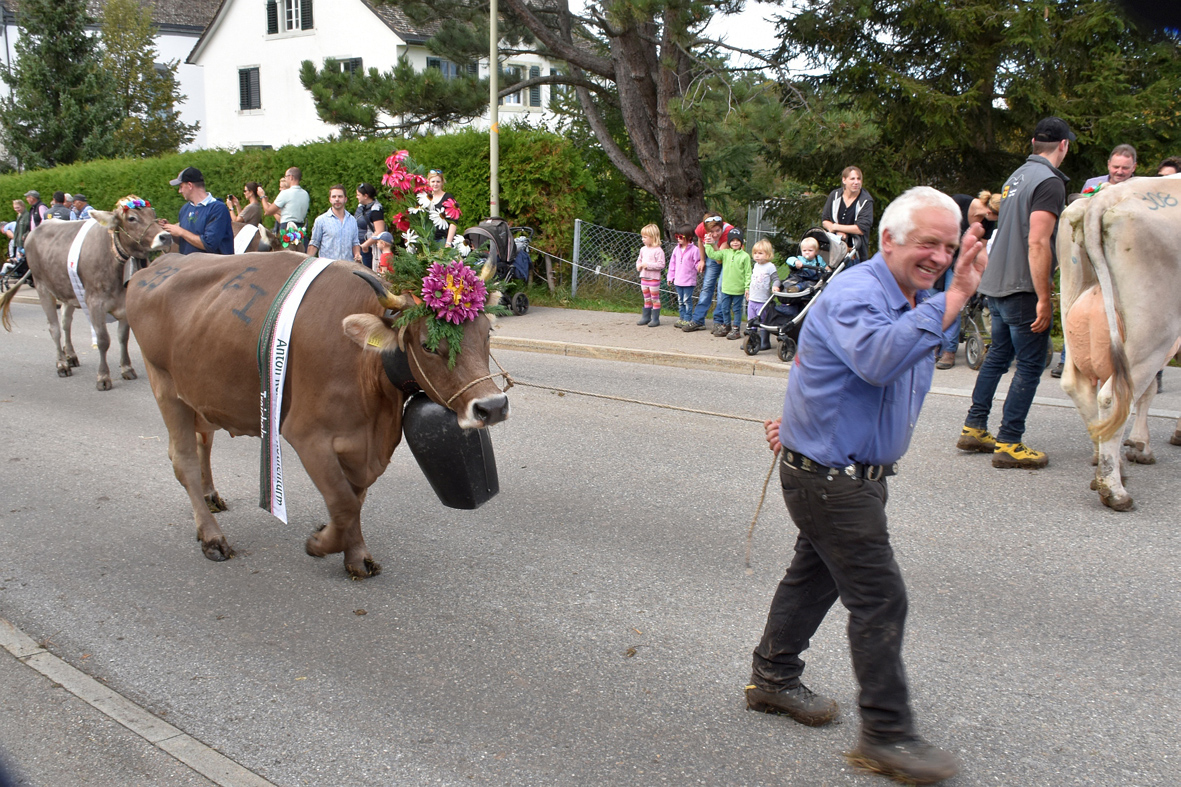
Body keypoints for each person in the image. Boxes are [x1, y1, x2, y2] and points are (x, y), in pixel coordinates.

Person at [748, 186, 987, 787]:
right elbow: (878, 360)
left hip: (846, 474)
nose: (938, 256)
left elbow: (824, 364)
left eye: (949, 246)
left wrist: (800, 418)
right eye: (927, 243)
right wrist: (955, 296)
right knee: (880, 597)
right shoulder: (862, 292)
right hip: (832, 482)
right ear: (888, 240)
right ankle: (885, 735)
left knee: (815, 574)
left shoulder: (917, 296)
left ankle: (772, 679)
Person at [957, 117, 1073, 468]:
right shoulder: (1049, 182)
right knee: (1032, 361)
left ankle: (974, 426)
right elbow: (1037, 242)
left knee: (998, 356)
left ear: (1035, 143)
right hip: (1022, 285)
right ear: (1063, 146)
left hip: (996, 282)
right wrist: (1043, 296)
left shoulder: (1015, 177)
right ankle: (1010, 440)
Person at [935, 191, 1000, 369]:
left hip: (960, 262)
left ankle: (949, 351)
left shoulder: (987, 221)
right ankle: (932, 344)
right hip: (939, 256)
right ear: (990, 211)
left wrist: (985, 270)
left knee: (953, 305)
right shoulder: (960, 201)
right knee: (932, 301)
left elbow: (982, 248)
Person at [160, 166, 235, 255]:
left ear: (190, 185)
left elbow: (209, 244)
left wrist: (181, 232)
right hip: (190, 266)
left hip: (214, 267)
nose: (179, 191)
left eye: (181, 186)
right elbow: (185, 241)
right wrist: (171, 230)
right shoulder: (185, 209)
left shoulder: (217, 209)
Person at [683, 212, 734, 332]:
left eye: (718, 230)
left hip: (728, 258)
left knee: (722, 288)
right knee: (707, 286)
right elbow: (701, 241)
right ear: (706, 230)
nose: (715, 234)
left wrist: (712, 243)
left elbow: (720, 259)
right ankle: (698, 320)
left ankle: (719, 321)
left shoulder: (728, 232)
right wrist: (702, 260)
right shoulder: (701, 229)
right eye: (712, 231)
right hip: (713, 252)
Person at [704, 227, 752, 340]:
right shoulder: (725, 253)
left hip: (738, 290)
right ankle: (726, 326)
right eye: (733, 240)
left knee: (736, 309)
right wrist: (708, 244)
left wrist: (747, 287)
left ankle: (736, 329)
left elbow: (748, 273)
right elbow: (713, 255)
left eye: (738, 240)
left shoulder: (745, 256)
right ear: (729, 242)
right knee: (725, 309)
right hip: (726, 289)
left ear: (741, 242)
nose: (735, 242)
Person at [822, 166, 874, 263]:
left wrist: (837, 227)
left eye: (859, 179)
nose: (856, 182)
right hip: (833, 251)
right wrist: (837, 232)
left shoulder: (866, 201)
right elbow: (825, 220)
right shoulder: (835, 195)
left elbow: (861, 229)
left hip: (855, 253)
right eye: (852, 179)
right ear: (844, 180)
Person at [307, 184, 362, 263]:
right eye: (334, 197)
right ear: (330, 199)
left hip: (347, 267)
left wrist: (357, 254)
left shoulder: (352, 220)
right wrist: (307, 264)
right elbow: (314, 244)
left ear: (345, 199)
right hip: (327, 267)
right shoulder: (321, 220)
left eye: (340, 196)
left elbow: (355, 242)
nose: (337, 199)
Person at [746, 238, 780, 350]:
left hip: (762, 300)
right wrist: (748, 291)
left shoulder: (770, 266)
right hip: (752, 299)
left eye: (760, 253)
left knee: (763, 321)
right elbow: (753, 280)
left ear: (768, 254)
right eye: (755, 253)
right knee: (752, 320)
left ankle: (765, 342)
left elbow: (776, 279)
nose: (757, 256)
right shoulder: (756, 265)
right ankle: (752, 341)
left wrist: (775, 286)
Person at [666, 224, 700, 329]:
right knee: (680, 300)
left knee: (687, 300)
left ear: (689, 237)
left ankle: (687, 318)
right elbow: (672, 264)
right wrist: (670, 277)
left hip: (688, 281)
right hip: (678, 281)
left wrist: (700, 267)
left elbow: (697, 263)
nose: (678, 239)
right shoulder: (676, 250)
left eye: (681, 237)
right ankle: (681, 317)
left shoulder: (695, 250)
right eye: (677, 236)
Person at [260, 166, 310, 234]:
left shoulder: (285, 193)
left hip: (287, 229)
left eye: (286, 176)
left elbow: (268, 211)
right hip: (300, 230)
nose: (285, 178)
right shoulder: (305, 194)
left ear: (291, 177)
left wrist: (262, 196)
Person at [634, 223, 666, 327]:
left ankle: (655, 319)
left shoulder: (658, 251)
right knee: (646, 298)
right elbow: (639, 260)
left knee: (654, 298)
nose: (643, 239)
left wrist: (648, 265)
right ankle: (646, 317)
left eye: (645, 237)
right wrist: (639, 265)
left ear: (653, 237)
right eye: (642, 237)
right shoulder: (643, 249)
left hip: (653, 278)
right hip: (644, 277)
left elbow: (661, 265)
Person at [354, 183, 387, 267]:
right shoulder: (361, 207)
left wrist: (365, 245)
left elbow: (379, 231)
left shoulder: (376, 210)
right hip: (359, 246)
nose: (356, 197)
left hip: (369, 248)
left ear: (365, 196)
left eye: (358, 195)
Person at [426, 170, 460, 246]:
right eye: (433, 181)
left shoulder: (448, 198)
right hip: (429, 241)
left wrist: (448, 243)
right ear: (429, 182)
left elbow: (453, 221)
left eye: (438, 182)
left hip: (443, 240)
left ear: (442, 183)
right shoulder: (425, 198)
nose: (435, 184)